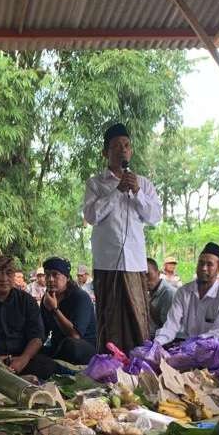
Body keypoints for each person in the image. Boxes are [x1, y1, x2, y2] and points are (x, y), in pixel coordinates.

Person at [83, 123, 162, 353]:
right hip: (107, 263)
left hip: (135, 263)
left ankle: (139, 365)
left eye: (126, 146)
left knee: (138, 317)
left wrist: (137, 192)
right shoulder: (95, 183)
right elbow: (91, 215)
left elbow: (154, 216)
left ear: (131, 151)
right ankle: (110, 368)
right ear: (105, 153)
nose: (123, 150)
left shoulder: (143, 183)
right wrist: (117, 191)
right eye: (116, 146)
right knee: (111, 321)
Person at [0, 255, 55, 379]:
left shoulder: (26, 301)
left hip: (22, 359)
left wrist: (23, 359)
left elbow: (37, 336)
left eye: (9, 273)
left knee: (47, 366)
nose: (4, 278)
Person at [154, 242, 219, 347]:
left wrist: (190, 346)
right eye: (201, 263)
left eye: (209, 264)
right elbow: (171, 326)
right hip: (186, 347)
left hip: (212, 350)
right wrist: (156, 344)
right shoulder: (183, 292)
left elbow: (218, 333)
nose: (203, 268)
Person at [40, 257, 97, 365]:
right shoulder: (46, 298)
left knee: (71, 345)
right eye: (47, 275)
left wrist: (54, 310)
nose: (50, 279)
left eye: (55, 274)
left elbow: (75, 335)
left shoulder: (80, 297)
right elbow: (43, 331)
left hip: (83, 348)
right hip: (59, 347)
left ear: (66, 277)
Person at [147, 258, 175, 337]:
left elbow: (167, 328)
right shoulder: (151, 292)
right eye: (141, 276)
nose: (145, 280)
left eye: (148, 275)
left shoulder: (169, 294)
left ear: (158, 273)